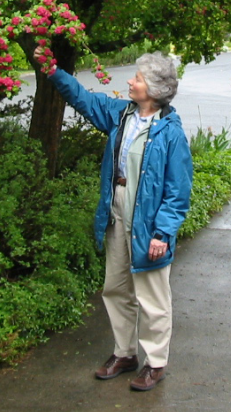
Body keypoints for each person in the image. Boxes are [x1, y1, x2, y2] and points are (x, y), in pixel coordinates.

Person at [33, 47, 193, 392]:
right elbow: (85, 99)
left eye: (136, 78)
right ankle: (124, 354)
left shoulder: (170, 133)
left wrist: (162, 233)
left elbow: (178, 192)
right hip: (118, 208)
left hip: (149, 221)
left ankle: (155, 362)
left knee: (152, 296)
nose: (130, 82)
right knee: (115, 287)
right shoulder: (123, 115)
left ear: (152, 88)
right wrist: (53, 70)